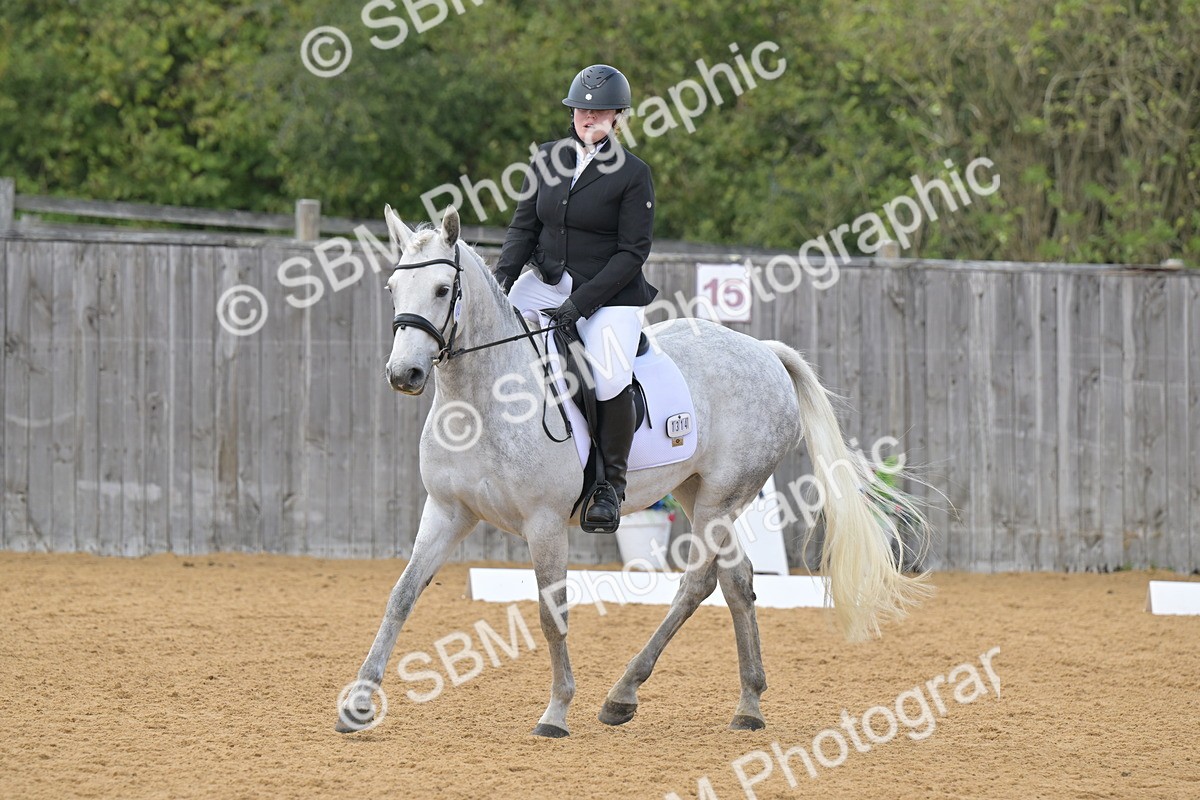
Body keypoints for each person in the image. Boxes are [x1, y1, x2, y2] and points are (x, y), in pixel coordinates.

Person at [494, 64, 657, 532]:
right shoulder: (547, 157)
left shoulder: (633, 174)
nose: (590, 117)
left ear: (618, 117)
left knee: (607, 376)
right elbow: (524, 226)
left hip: (610, 294)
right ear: (573, 113)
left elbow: (632, 253)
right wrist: (501, 282)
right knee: (488, 333)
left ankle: (609, 485)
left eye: (600, 111)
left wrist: (579, 305)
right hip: (545, 280)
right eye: (583, 110)